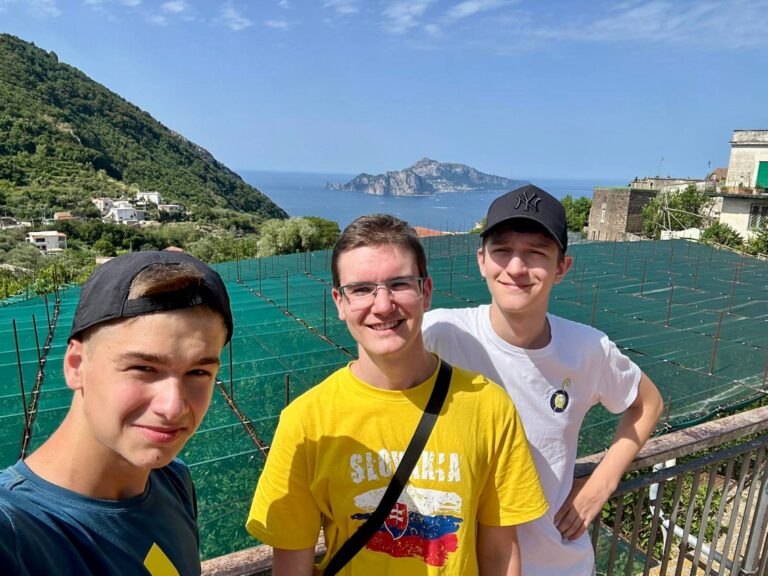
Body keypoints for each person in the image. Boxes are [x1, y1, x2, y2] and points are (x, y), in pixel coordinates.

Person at [247, 214, 547, 575]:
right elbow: (292, 566)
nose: (383, 304)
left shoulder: (489, 407)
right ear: (339, 302)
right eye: (361, 289)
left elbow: (500, 553)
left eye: (399, 284)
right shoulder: (305, 423)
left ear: (426, 292)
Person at [422, 185, 664, 576]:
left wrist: (600, 483)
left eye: (535, 252)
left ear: (561, 268)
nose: (516, 267)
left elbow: (647, 403)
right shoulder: (439, 334)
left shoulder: (588, 348)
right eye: (502, 250)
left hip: (558, 563)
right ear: (482, 261)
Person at [0, 250, 234, 575]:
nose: (173, 407)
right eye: (143, 368)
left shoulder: (172, 482)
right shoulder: (14, 534)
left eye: (198, 372)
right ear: (76, 365)